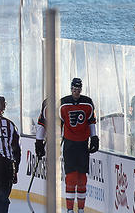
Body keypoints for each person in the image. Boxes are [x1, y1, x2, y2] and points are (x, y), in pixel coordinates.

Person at [35, 77, 99, 213]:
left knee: (82, 177)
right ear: (71, 89)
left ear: (81, 89)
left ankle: (81, 208)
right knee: (71, 177)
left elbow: (91, 121)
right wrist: (39, 141)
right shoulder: (61, 104)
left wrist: (94, 137)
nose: (76, 92)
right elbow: (44, 122)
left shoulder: (87, 103)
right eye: (74, 89)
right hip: (69, 144)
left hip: (83, 144)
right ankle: (70, 209)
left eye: (78, 89)